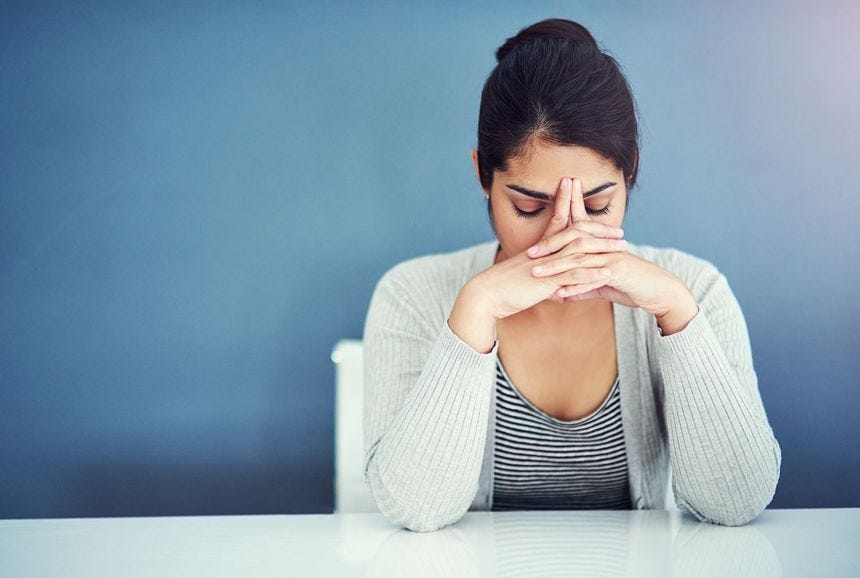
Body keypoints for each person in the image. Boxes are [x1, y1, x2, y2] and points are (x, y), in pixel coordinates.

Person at [361, 18, 781, 532]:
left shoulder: (696, 289)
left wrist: (677, 314)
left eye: (598, 205)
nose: (564, 235)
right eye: (529, 207)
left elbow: (736, 503)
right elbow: (415, 509)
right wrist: (474, 313)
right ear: (481, 176)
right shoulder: (411, 295)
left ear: (632, 174)